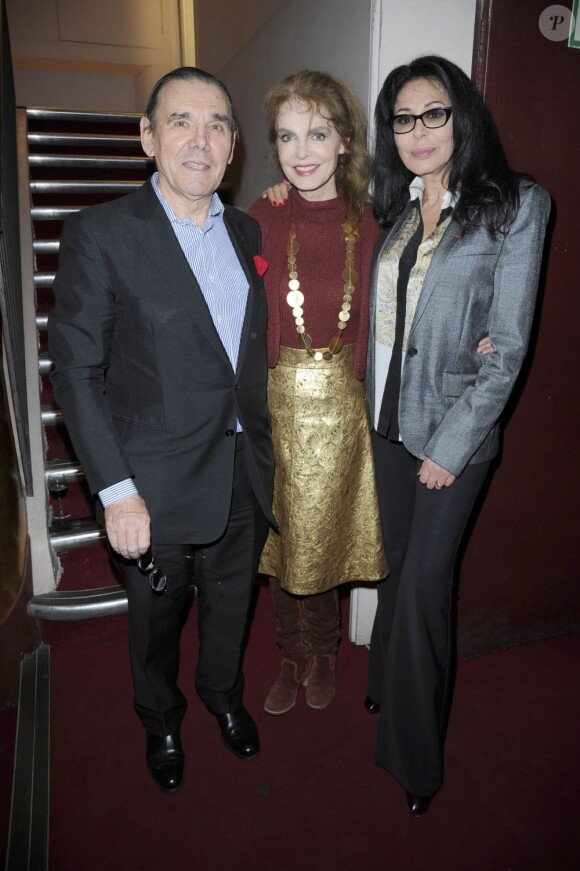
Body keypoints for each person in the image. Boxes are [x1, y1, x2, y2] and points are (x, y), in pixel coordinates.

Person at [48, 67, 276, 794]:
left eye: (216, 125)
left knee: (232, 609)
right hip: (150, 487)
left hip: (244, 473)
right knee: (154, 624)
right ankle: (162, 719)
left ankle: (223, 696)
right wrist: (115, 491)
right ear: (148, 136)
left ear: (234, 147)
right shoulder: (101, 232)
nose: (199, 140)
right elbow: (75, 371)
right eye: (181, 121)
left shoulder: (247, 231)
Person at [365, 55, 551, 816]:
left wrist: (451, 442)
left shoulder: (516, 205)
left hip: (453, 434)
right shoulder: (400, 210)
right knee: (392, 568)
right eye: (403, 119)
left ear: (462, 114)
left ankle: (417, 762)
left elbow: (505, 347)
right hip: (386, 422)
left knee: (423, 589)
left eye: (432, 113)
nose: (418, 131)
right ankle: (383, 685)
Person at [248, 70, 388, 716]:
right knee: (283, 537)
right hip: (278, 400)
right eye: (286, 136)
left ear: (343, 141)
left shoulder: (371, 224)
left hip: (340, 404)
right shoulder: (262, 217)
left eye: (316, 133)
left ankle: (326, 648)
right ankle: (290, 653)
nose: (300, 151)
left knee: (326, 531)